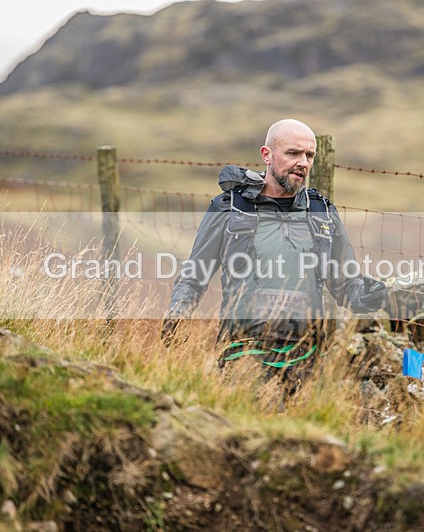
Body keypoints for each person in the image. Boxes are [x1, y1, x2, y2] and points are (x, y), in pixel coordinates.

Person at [162, 119, 387, 386]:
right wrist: (178, 312)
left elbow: (345, 285)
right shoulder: (230, 208)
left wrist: (371, 296)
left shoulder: (322, 214)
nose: (303, 162)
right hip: (242, 354)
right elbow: (194, 276)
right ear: (267, 155)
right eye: (293, 153)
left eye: (309, 155)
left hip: (307, 360)